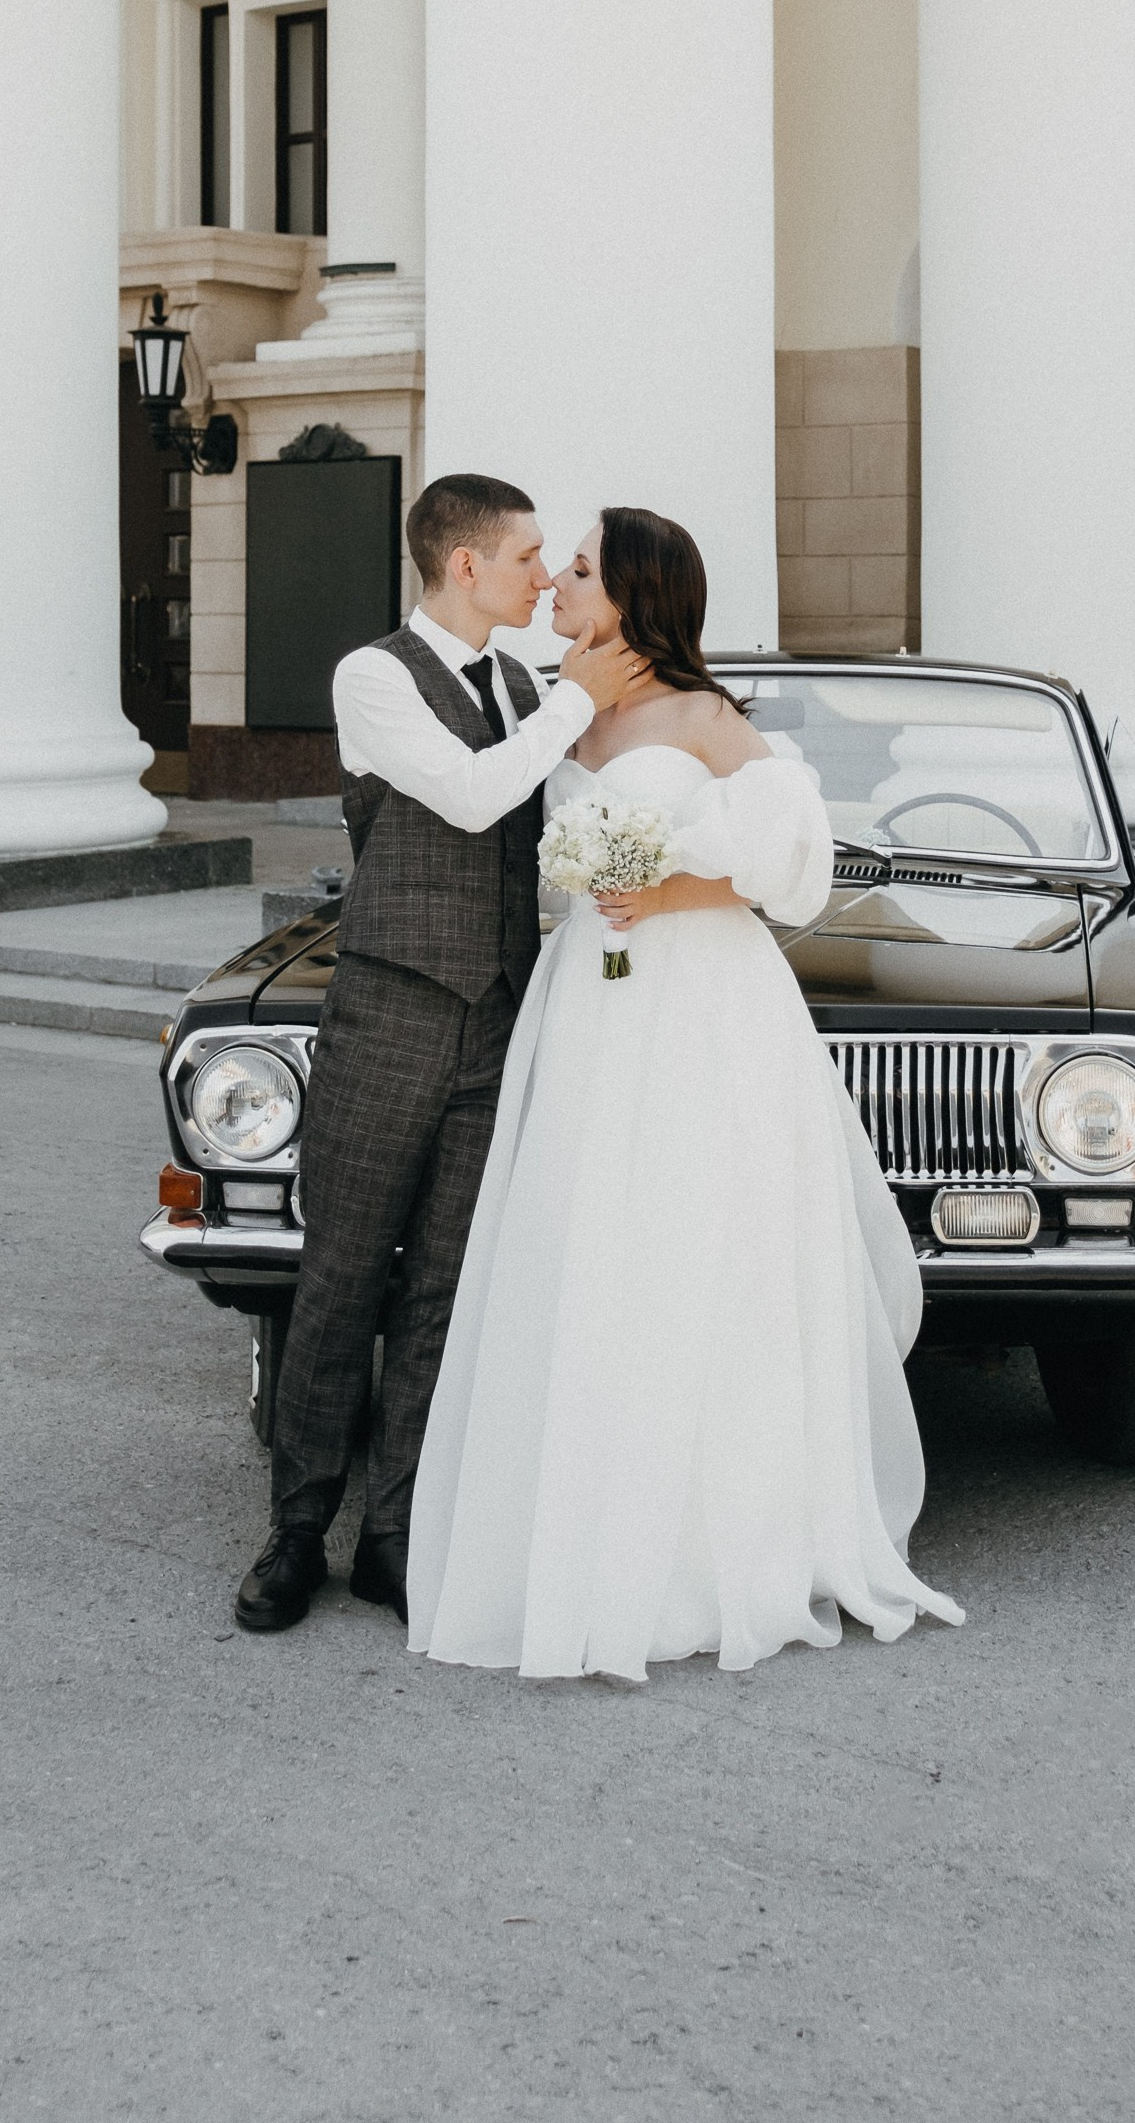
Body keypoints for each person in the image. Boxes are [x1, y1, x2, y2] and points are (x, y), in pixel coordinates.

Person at [407, 506, 964, 1679]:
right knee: (585, 1239)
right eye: (556, 565)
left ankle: (721, 1543)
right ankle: (578, 1518)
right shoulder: (563, 707)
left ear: (631, 592)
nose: (557, 581)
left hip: (699, 995)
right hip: (590, 997)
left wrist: (669, 894)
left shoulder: (702, 713)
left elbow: (795, 859)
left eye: (579, 568)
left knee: (698, 1234)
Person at [234, 472, 637, 1634]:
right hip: (391, 1014)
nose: (540, 576)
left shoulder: (519, 684)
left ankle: (393, 1535)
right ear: (465, 565)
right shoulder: (371, 677)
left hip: (496, 1019)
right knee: (340, 1278)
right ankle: (296, 1528)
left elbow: (564, 808)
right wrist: (575, 699)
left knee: (443, 1290)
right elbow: (467, 795)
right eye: (525, 557)